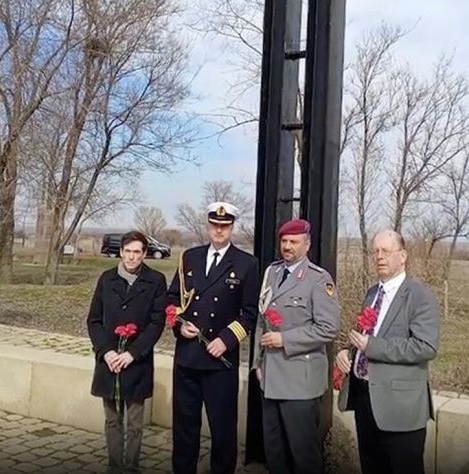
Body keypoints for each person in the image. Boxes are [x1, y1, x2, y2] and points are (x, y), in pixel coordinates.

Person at [334, 229, 440, 474]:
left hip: (400, 410)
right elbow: (364, 337)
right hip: (366, 402)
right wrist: (347, 354)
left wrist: (372, 347)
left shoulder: (419, 296)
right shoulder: (372, 293)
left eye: (386, 251)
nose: (379, 257)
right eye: (375, 251)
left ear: (402, 256)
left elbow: (426, 347)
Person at [167, 201, 259, 474]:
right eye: (215, 225)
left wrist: (226, 339)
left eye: (225, 226)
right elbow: (172, 301)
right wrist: (179, 326)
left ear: (232, 227)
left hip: (220, 361)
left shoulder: (246, 263)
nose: (219, 231)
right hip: (187, 358)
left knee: (222, 431)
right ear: (208, 226)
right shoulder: (189, 257)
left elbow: (250, 313)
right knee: (184, 428)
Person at [253, 218, 339, 474]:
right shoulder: (272, 272)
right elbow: (262, 318)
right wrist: (258, 362)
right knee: (275, 454)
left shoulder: (318, 279)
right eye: (284, 241)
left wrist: (285, 339)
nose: (288, 247)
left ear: (307, 244)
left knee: (304, 456)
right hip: (270, 377)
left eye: (294, 242)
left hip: (299, 382)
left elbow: (329, 328)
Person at [86, 230, 168, 473]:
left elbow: (156, 323)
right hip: (109, 359)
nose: (132, 257)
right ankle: (115, 465)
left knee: (134, 420)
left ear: (144, 254)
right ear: (121, 252)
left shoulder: (156, 281)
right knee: (112, 418)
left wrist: (132, 353)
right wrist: (107, 352)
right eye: (128, 252)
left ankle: (131, 466)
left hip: (136, 360)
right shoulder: (106, 279)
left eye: (137, 252)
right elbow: (94, 320)